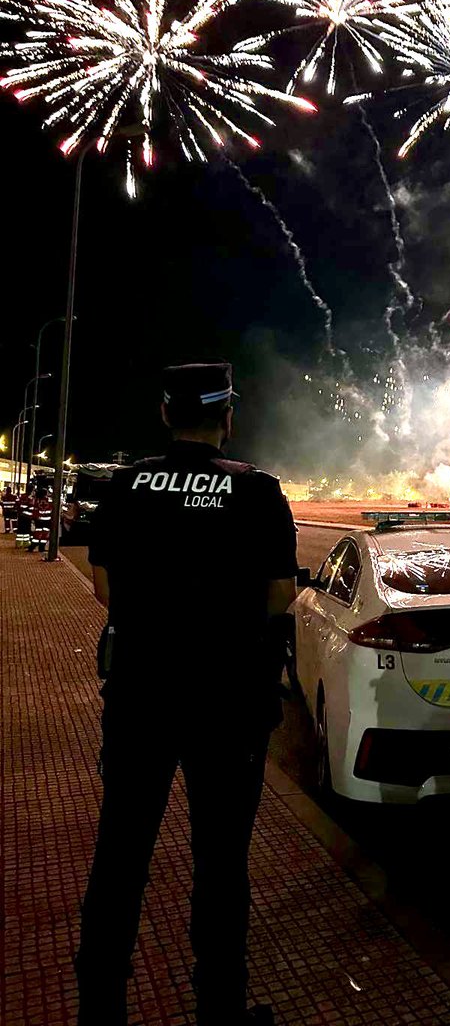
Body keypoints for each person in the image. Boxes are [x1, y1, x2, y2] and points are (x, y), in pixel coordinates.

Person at [76, 362, 298, 1026]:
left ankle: (99, 1002)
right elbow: (280, 597)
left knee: (120, 850)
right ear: (226, 419)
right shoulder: (258, 492)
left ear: (165, 413)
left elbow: (104, 587)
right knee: (222, 861)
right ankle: (220, 1006)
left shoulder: (128, 486)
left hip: (142, 695)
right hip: (228, 705)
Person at [29, 481, 53, 552]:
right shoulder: (49, 501)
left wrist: (33, 518)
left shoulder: (37, 501)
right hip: (47, 520)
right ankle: (41, 547)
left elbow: (34, 510)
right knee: (45, 534)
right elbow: (53, 509)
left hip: (38, 520)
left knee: (37, 534)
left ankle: (32, 546)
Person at [15, 482, 34, 549]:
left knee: (20, 530)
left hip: (21, 516)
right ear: (31, 490)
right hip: (27, 517)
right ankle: (26, 543)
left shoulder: (21, 496)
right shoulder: (30, 498)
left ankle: (18, 543)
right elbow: (31, 508)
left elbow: (17, 503)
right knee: (26, 530)